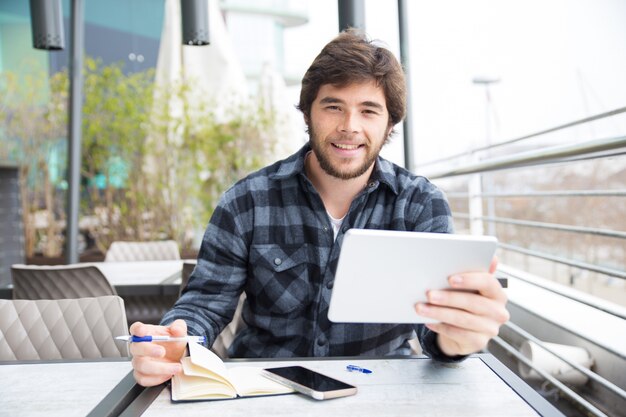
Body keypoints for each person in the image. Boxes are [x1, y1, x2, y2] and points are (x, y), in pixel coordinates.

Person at [130, 30, 509, 387]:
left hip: (379, 390)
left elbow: (434, 331)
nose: (350, 126)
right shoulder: (246, 201)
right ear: (308, 112)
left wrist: (456, 339)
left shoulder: (420, 204)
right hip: (265, 389)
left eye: (369, 111)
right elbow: (205, 304)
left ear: (390, 122)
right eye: (333, 106)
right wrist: (173, 339)